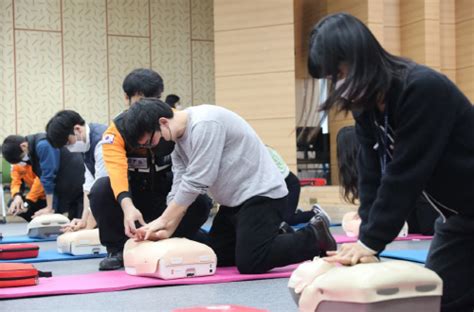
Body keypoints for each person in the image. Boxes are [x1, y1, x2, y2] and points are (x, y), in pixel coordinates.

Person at [308, 13, 474, 311]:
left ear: (358, 57)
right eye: (331, 79)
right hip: (460, 218)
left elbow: (405, 173)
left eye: (339, 74)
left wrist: (371, 242)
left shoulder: (421, 88)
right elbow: (371, 175)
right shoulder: (366, 107)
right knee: (437, 299)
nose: (337, 86)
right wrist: (367, 238)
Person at [122, 98, 337, 274]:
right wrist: (166, 227)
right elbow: (179, 180)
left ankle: (314, 237)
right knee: (216, 257)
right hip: (233, 203)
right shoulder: (178, 141)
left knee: (251, 262)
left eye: (150, 142)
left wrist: (163, 221)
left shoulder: (205, 123)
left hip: (261, 196)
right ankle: (276, 235)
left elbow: (197, 180)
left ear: (163, 122)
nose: (152, 149)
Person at [88, 68, 211, 271]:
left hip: (167, 195)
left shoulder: (171, 123)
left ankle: (179, 238)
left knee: (200, 200)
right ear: (127, 98)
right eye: (141, 99)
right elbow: (116, 172)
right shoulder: (115, 131)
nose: (147, 106)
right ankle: (117, 250)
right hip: (134, 199)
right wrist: (127, 207)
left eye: (155, 98)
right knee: (101, 188)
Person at [336, 126, 438, 235]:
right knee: (349, 219)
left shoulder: (386, 169)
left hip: (422, 221)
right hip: (412, 218)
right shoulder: (374, 173)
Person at [46, 110, 108, 232]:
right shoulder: (85, 144)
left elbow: (103, 187)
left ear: (77, 129)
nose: (69, 149)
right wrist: (83, 219)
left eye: (68, 143)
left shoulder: (102, 141)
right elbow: (89, 184)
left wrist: (87, 228)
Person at [2, 134, 84, 219]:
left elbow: (47, 178)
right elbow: (15, 181)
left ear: (23, 146)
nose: (22, 161)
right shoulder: (28, 154)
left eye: (22, 158)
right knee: (73, 222)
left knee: (81, 222)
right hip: (61, 188)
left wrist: (49, 207)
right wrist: (17, 196)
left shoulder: (42, 145)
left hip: (75, 185)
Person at [266, 145, 330, 228]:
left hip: (290, 186)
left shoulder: (265, 153)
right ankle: (298, 213)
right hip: (283, 186)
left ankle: (315, 213)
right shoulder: (265, 151)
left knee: (288, 220)